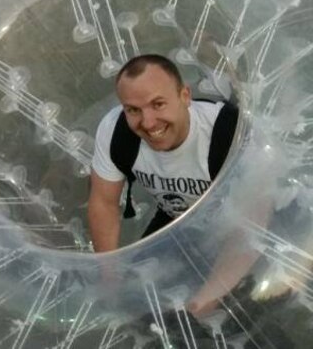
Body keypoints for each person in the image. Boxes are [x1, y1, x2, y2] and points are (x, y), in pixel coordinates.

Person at [88, 53, 253, 316]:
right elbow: (103, 203)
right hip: (180, 218)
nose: (148, 122)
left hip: (240, 223)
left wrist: (208, 297)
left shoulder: (228, 132)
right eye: (133, 110)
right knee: (139, 307)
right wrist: (111, 278)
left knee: (246, 316)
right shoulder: (115, 131)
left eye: (158, 104)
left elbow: (253, 222)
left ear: (185, 96)